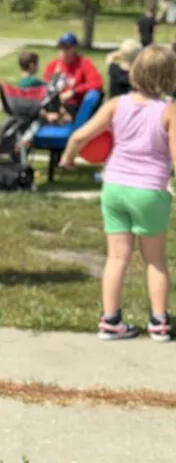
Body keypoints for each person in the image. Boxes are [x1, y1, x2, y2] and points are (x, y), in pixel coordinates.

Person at [61, 45, 176, 342]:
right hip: (149, 190)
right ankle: (159, 322)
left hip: (114, 187)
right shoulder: (169, 111)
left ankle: (111, 321)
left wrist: (68, 158)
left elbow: (80, 135)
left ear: (135, 71)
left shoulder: (116, 104)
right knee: (156, 260)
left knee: (116, 258)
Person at [42, 33, 103, 119]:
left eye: (67, 48)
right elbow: (45, 86)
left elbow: (97, 83)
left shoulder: (84, 63)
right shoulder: (53, 65)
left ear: (75, 48)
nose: (64, 51)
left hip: (74, 104)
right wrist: (55, 77)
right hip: (54, 103)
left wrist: (73, 91)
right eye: (61, 48)